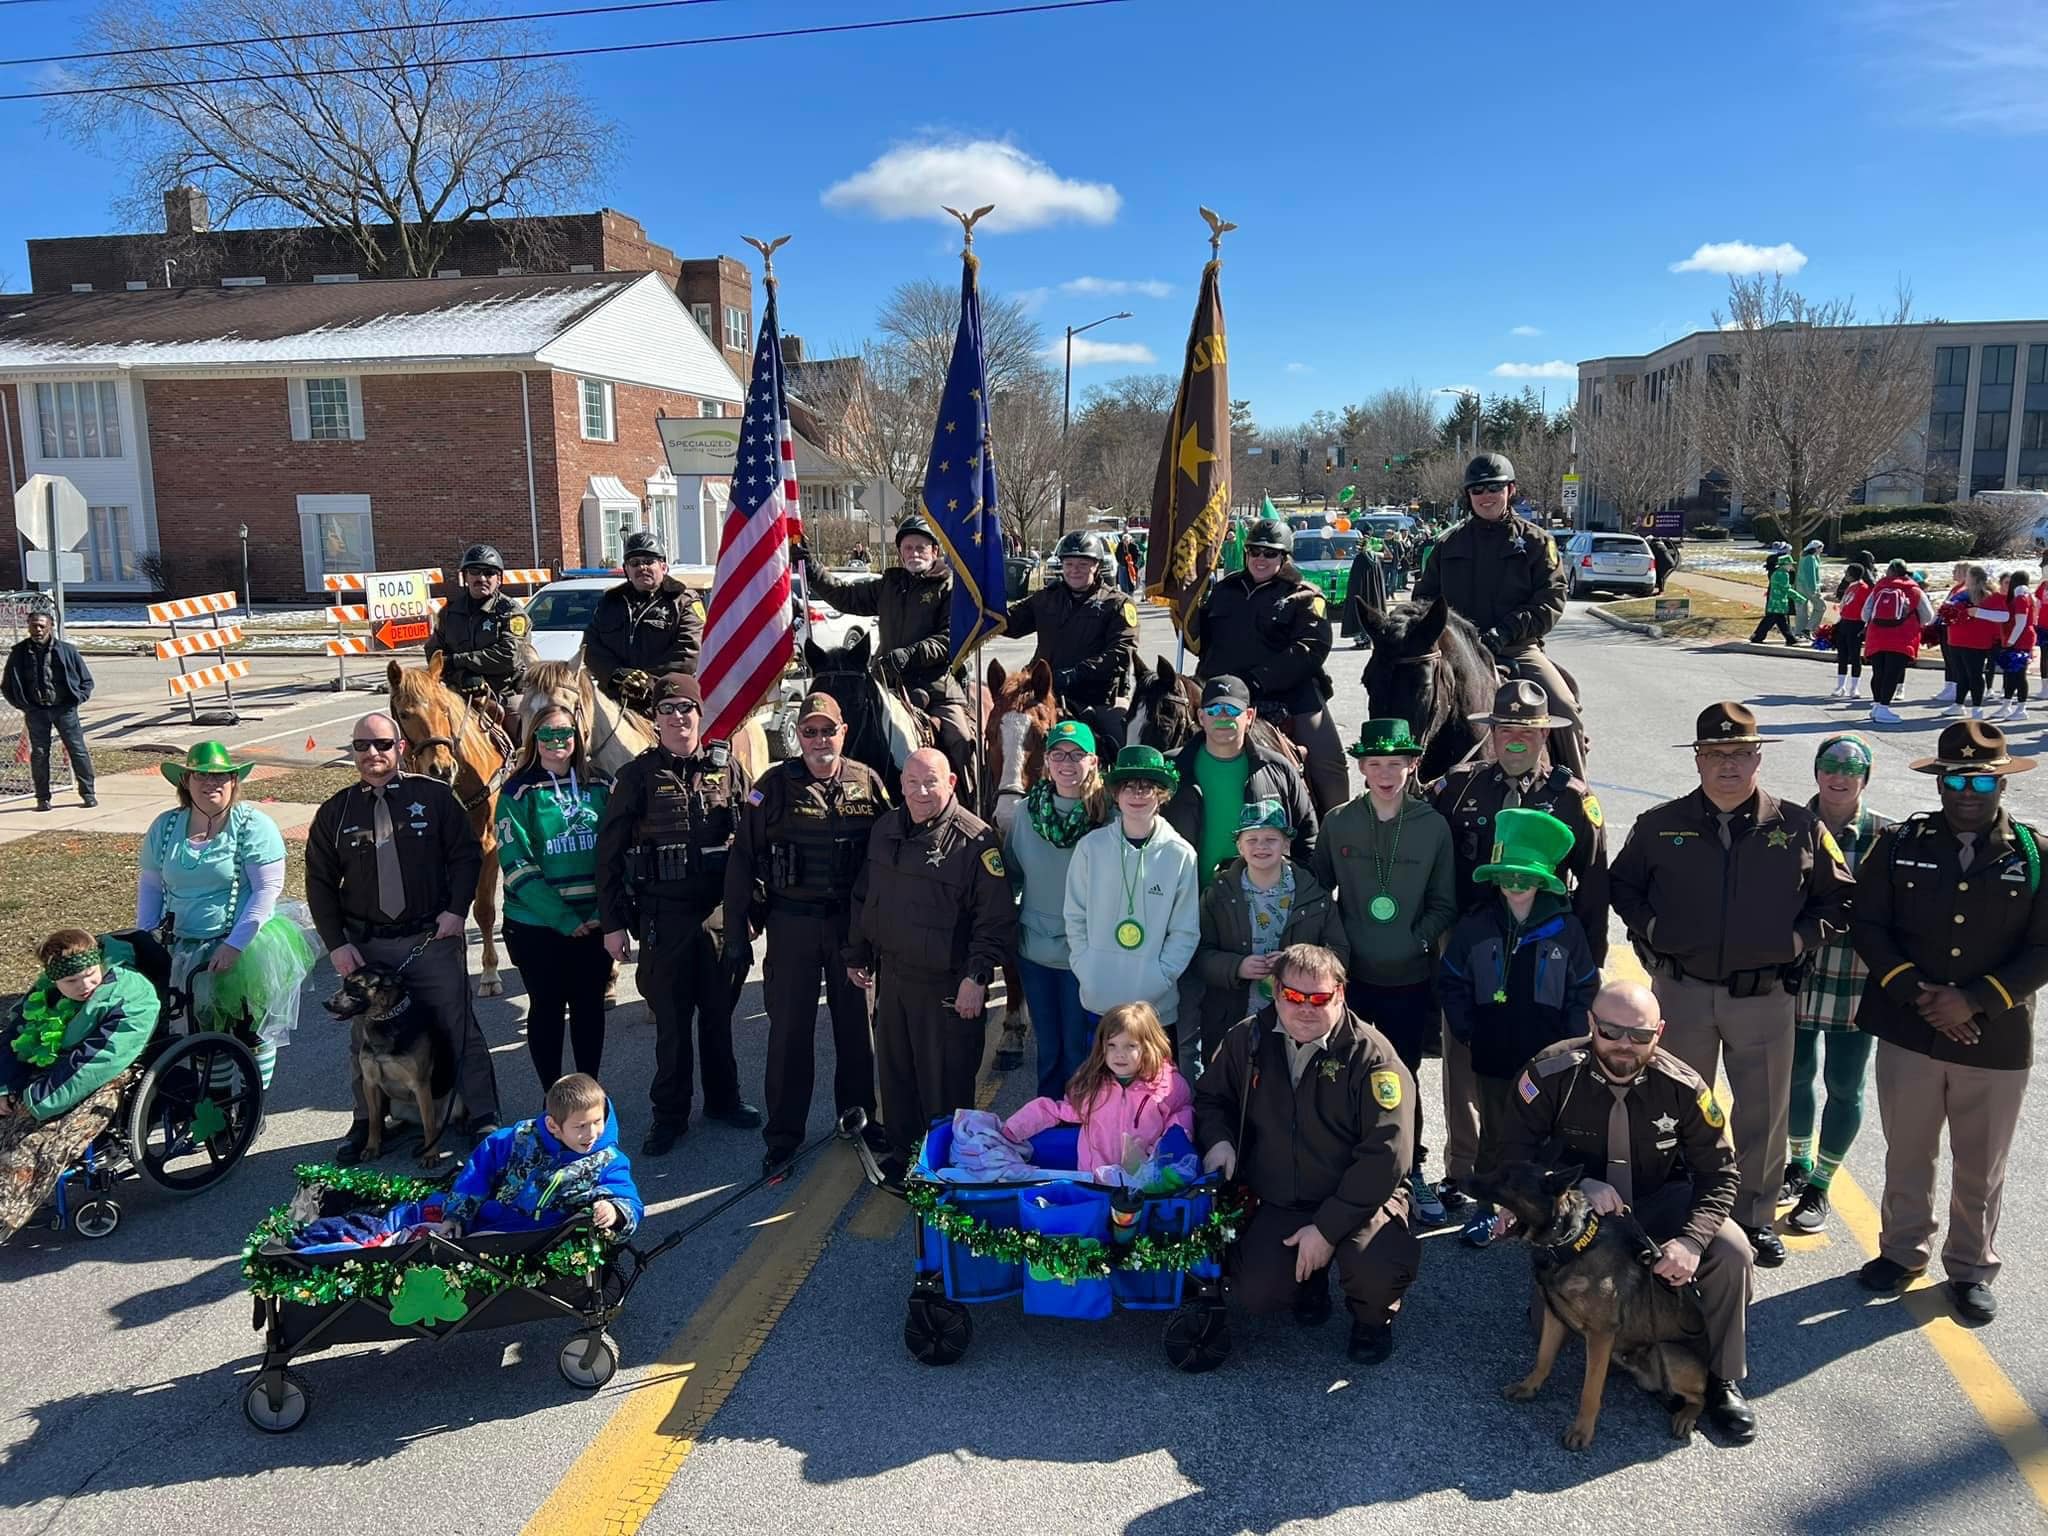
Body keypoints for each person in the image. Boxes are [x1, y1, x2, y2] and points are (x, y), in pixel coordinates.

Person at [1608, 701, 1855, 1266]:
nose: (1728, 765)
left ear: (1758, 758)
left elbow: (1840, 898)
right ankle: (1674, 1205)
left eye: (1740, 753)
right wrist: (1651, 929)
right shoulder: (1658, 825)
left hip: (1763, 996)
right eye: (1716, 753)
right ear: (1697, 759)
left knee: (1761, 1113)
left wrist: (1795, 943)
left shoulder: (1798, 826)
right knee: (1670, 1106)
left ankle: (1753, 1216)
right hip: (1681, 992)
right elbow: (1623, 887)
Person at [1500, 980, 1759, 1443]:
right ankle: (1621, 1329)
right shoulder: (1551, 1072)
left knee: (1734, 1253)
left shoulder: (1683, 1087)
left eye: (1639, 1035)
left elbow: (1720, 1175)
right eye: (1612, 1031)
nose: (1625, 1045)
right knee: (1547, 1324)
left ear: (1659, 1031)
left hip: (1659, 1200)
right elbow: (1515, 1154)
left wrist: (1691, 1242)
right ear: (1591, 1024)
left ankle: (1720, 1378)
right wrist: (1578, 1182)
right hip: (1580, 1216)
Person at [1851, 720, 2048, 1324]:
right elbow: (1868, 925)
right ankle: (1902, 1251)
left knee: (1979, 1160)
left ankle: (1969, 1267)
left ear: (2000, 784)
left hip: (1995, 1035)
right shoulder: (1899, 843)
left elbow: (2044, 947)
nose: (1968, 790)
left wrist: (1977, 1000)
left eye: (1981, 779)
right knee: (1908, 1151)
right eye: (1956, 777)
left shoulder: (2035, 853)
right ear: (1939, 782)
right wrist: (1921, 995)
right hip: (1911, 1027)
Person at [1193, 942, 1421, 1364]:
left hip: (1360, 1199)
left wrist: (1327, 1229)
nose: (1305, 1008)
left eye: (1319, 998)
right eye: (1294, 997)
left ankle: (1372, 1320)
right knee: (1255, 1293)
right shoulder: (1248, 1039)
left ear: (1341, 993)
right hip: (1283, 1195)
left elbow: (1386, 1157)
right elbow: (1210, 1100)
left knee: (1376, 1267)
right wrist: (1219, 1140)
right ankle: (1309, 1282)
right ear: (1276, 992)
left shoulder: (1373, 1057)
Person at [307, 713, 500, 1164]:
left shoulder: (434, 798)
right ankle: (364, 1122)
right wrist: (337, 944)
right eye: (361, 746)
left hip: (430, 937)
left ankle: (483, 1113)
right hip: (368, 945)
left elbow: (466, 856)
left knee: (458, 1025)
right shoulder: (336, 812)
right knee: (365, 1037)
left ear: (401, 747)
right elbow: (318, 881)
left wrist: (457, 911)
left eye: (381, 744)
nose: (372, 754)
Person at [594, 673, 760, 1156]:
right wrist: (612, 924)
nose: (678, 717)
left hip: (718, 917)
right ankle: (669, 1116)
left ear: (699, 715)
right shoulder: (636, 777)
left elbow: (754, 843)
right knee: (671, 1024)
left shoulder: (728, 771)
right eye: (667, 710)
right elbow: (608, 856)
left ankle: (724, 1101)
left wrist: (752, 908)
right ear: (655, 720)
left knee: (718, 1017)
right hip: (662, 919)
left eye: (686, 708)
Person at [726, 692, 889, 1176]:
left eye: (828, 730)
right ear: (797, 737)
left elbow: (889, 855)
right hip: (792, 924)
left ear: (844, 732)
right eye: (809, 732)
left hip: (850, 928)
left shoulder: (868, 781)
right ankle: (783, 1136)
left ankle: (858, 1118)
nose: (820, 740)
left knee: (857, 1032)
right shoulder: (771, 787)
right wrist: (736, 930)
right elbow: (741, 861)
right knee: (790, 1034)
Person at [1313, 718, 1458, 1224]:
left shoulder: (1432, 825)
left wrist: (1415, 939)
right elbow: (1317, 891)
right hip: (1351, 978)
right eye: (1375, 764)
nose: (1385, 773)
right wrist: (1335, 947)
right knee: (1344, 1074)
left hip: (1408, 978)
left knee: (1404, 1076)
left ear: (1412, 764)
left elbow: (1444, 902)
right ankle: (1345, 1168)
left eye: (1395, 763)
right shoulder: (1339, 823)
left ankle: (1410, 1170)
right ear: (1360, 767)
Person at [1438, 808, 1601, 1245]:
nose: (1515, 883)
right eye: (1507, 874)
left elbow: (1584, 988)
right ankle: (1488, 1207)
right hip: (1492, 1051)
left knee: (1550, 1132)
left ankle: (1546, 1209)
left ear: (1545, 879)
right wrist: (1466, 1028)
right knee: (1494, 1131)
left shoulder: (1565, 930)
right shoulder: (1476, 924)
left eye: (1524, 875)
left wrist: (1570, 1044)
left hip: (1549, 1058)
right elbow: (1452, 978)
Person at [845, 746, 1016, 1164]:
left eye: (931, 782)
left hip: (947, 984)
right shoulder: (885, 829)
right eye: (912, 782)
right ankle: (905, 1155)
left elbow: (994, 921)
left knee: (944, 1081)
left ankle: (948, 1163)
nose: (921, 792)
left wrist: (977, 978)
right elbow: (866, 897)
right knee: (897, 1074)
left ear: (952, 782)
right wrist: (858, 952)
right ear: (900, 784)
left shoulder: (976, 841)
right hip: (895, 976)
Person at [139, 742, 317, 1090]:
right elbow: (150, 885)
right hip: (182, 944)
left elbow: (267, 889)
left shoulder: (252, 825)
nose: (212, 784)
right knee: (198, 1029)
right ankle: (218, 1103)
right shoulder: (165, 827)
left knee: (248, 1029)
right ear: (186, 781)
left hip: (244, 943)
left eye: (222, 776)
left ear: (234, 782)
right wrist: (146, 937)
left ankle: (251, 1102)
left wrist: (236, 944)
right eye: (202, 776)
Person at [1781, 733, 1892, 1236]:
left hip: (1857, 980)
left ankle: (1821, 1183)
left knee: (1845, 1085)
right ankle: (1798, 1164)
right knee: (1794, 1076)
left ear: (1865, 777)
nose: (1839, 775)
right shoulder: (1786, 826)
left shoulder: (1887, 837)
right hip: (1796, 974)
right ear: (1817, 772)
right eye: (1829, 765)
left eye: (1852, 768)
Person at [1411, 453, 1582, 774]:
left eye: (1494, 487)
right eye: (1477, 490)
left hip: (1517, 648)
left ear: (1511, 489)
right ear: (1468, 496)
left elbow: (1551, 599)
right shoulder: (1447, 546)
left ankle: (1579, 799)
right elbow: (1424, 601)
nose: (1486, 496)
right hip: (1456, 653)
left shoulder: (1536, 542)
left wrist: (1504, 632)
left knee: (1565, 710)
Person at [0, 930, 163, 1240]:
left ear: (98, 962)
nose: (84, 986)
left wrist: (36, 1100)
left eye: (89, 975)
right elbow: (16, 1034)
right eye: (71, 982)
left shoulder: (132, 995)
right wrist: (5, 1084)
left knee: (30, 1145)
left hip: (100, 1078)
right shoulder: (46, 990)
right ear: (54, 979)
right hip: (46, 1072)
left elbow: (96, 1062)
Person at [806, 517, 980, 806]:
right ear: (900, 552)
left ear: (935, 551)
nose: (914, 553)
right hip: (885, 683)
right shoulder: (889, 584)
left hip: (935, 687)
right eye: (908, 547)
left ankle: (969, 806)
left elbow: (951, 638)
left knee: (960, 739)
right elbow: (846, 596)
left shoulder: (950, 588)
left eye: (921, 547)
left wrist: (910, 654)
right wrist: (813, 570)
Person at [1184, 517, 1347, 813]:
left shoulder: (1304, 595)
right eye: (1254, 551)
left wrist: (1257, 680)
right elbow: (1202, 642)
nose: (1261, 558)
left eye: (1270, 553)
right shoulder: (1223, 591)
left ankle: (1337, 828)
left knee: (1328, 760)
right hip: (1224, 692)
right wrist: (1184, 612)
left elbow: (1310, 649)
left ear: (1284, 557)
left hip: (1288, 694)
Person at [496, 707, 612, 1091]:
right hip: (536, 926)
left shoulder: (601, 785)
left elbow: (618, 851)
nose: (557, 742)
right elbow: (516, 862)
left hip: (593, 921)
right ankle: (553, 1097)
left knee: (589, 1008)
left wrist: (603, 911)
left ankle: (588, 1093)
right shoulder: (516, 792)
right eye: (546, 734)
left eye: (565, 733)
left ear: (578, 737)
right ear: (533, 739)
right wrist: (563, 919)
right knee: (546, 1007)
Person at [1064, 746, 1201, 1055]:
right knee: (1099, 1094)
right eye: (1129, 786)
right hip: (1099, 1000)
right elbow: (1074, 914)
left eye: (1148, 787)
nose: (1138, 795)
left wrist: (1161, 976)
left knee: (1155, 1096)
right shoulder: (1091, 848)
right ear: (1116, 794)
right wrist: (1086, 967)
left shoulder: (1180, 855)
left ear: (1162, 794)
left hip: (1154, 1008)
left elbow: (1185, 930)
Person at [1191, 798, 1349, 1065]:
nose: (1261, 846)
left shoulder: (1314, 897)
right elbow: (1199, 954)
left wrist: (1297, 965)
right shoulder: (1218, 895)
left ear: (1286, 845)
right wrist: (1236, 967)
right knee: (1236, 1090)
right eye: (1251, 839)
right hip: (1234, 1016)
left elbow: (1340, 955)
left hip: (1300, 1017)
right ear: (1239, 846)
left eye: (1270, 839)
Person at [1005, 718, 1106, 1102]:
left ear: (1093, 761)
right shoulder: (1025, 815)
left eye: (1077, 755)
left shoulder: (1109, 817)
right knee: (1049, 1054)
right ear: (1046, 761)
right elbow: (1012, 875)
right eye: (1058, 755)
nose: (1067, 763)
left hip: (1086, 956)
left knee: (1081, 1055)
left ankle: (1084, 1129)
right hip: (1035, 954)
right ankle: (1048, 1127)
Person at [1002, 1001, 1193, 1177]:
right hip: (1097, 1178)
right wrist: (1013, 1129)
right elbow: (1054, 1110)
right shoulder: (1092, 1085)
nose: (1120, 1054)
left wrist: (1159, 1154)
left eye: (1130, 1046)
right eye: (1112, 1045)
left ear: (1149, 1047)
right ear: (1102, 1047)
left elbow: (1180, 1119)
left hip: (1146, 1180)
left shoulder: (1165, 1086)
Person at [442, 1072, 643, 1237]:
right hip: (496, 1227)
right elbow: (477, 1171)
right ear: (553, 1126)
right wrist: (455, 1214)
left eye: (597, 1121)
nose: (592, 1133)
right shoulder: (520, 1139)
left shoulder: (608, 1160)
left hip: (554, 1241)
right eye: (581, 1126)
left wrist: (615, 1212)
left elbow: (628, 1199)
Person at [1162, 675, 1318, 886]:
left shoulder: (1278, 768)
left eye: (1233, 710)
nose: (1223, 717)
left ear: (1250, 716)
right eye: (1214, 711)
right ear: (1200, 716)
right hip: (1184, 901)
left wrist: (1303, 890)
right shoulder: (1170, 768)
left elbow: (1307, 835)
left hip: (1262, 904)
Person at [1000, 531, 1137, 754]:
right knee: (1004, 733)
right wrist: (983, 605)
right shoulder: (1046, 598)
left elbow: (1121, 652)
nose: (1075, 570)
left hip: (1095, 697)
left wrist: (1075, 674)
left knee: (1123, 743)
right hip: (1042, 692)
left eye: (1083, 564)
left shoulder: (1117, 604)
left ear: (1097, 565)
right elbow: (1010, 624)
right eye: (1069, 563)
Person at [582, 531, 706, 714]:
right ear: (626, 569)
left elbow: (688, 653)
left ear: (663, 567)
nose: (642, 567)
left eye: (649, 561)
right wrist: (618, 675)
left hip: (666, 701)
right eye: (635, 563)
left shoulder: (684, 601)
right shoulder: (610, 602)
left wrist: (648, 682)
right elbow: (590, 646)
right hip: (613, 700)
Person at [1, 608, 96, 811]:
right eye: (34, 625)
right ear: (28, 627)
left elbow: (86, 680)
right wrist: (24, 706)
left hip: (64, 709)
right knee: (40, 753)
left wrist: (77, 698)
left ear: (50, 626)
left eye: (42, 625)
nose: (37, 629)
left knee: (77, 750)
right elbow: (7, 685)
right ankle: (42, 798)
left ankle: (88, 793)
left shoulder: (67, 650)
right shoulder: (19, 653)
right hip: (36, 711)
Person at [425, 544, 529, 706]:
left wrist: (457, 660)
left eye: (489, 573)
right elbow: (434, 655)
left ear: (499, 579)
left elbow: (510, 657)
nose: (481, 579)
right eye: (474, 572)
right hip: (456, 693)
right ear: (465, 577)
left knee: (519, 720)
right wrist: (461, 676)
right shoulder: (449, 612)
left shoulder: (511, 613)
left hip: (504, 693)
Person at [1861, 559, 1936, 724]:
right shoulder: (1914, 589)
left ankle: (1876, 705)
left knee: (1878, 672)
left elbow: (1865, 614)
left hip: (1877, 636)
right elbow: (1928, 617)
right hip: (1902, 637)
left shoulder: (1879, 587)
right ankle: (1884, 708)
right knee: (1892, 674)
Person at [1940, 563, 2007, 719]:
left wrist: (1978, 612)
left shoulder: (1991, 596)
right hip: (1955, 640)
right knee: (1960, 674)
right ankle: (1958, 704)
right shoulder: (1960, 593)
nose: (1966, 579)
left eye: (1969, 576)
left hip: (1976, 642)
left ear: (1975, 578)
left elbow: (2004, 616)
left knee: (1974, 674)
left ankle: (1977, 708)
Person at [1992, 569, 2036, 724]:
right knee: (2009, 674)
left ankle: (2021, 708)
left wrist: (2011, 640)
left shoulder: (2021, 598)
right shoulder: (2020, 596)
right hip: (2014, 638)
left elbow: (2021, 622)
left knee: (2019, 674)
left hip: (2021, 640)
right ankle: (2007, 705)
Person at [1827, 562, 1872, 703]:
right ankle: (1840, 686)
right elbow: (1844, 605)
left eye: (1847, 573)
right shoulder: (1850, 587)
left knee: (1854, 655)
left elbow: (1866, 609)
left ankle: (1854, 687)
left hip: (1856, 624)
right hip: (1844, 622)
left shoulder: (1864, 588)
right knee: (1842, 655)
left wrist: (1865, 625)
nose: (1845, 575)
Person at [1748, 552, 1803, 646]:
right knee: (1770, 621)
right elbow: (1786, 589)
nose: (1791, 567)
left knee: (1781, 622)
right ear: (1785, 564)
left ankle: (1790, 639)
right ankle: (1757, 636)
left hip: (1776, 602)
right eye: (1790, 564)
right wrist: (1799, 598)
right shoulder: (1783, 574)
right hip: (1778, 602)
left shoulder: (1778, 572)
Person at [1344, 536, 1388, 649]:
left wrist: (1352, 593)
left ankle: (1363, 641)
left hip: (1361, 593)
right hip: (1374, 594)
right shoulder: (1376, 558)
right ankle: (1369, 640)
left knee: (1361, 615)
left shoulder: (1360, 558)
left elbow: (1355, 579)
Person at [1795, 539, 1826, 640]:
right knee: (1821, 607)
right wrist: (1814, 590)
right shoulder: (1810, 558)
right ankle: (1808, 629)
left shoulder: (1804, 556)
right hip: (1808, 586)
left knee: (1802, 609)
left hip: (1800, 586)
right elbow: (1810, 575)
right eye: (1820, 549)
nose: (1821, 551)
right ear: (1816, 548)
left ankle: (1799, 632)